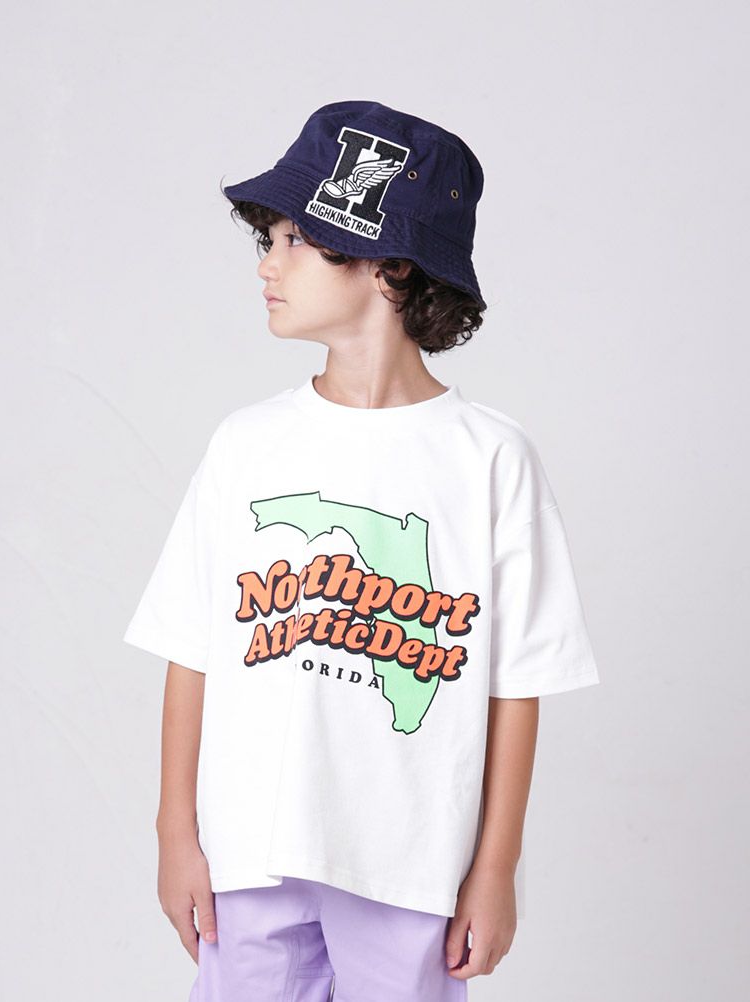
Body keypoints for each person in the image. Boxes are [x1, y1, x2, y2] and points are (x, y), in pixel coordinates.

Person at [123, 99, 601, 1001]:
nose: (267, 263)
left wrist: (495, 870)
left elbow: (517, 683)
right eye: (267, 239)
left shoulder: (489, 460)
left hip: (407, 861)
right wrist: (174, 833)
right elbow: (193, 649)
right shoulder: (247, 445)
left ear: (389, 265)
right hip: (251, 853)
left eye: (295, 241)